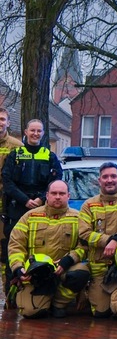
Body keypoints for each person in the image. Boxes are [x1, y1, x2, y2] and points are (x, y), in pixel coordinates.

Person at [7, 180, 90, 318]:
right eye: (54, 193)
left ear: (68, 196)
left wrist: (68, 260)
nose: (58, 196)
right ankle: (44, 300)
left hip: (62, 270)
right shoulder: (30, 217)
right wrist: (18, 268)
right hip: (36, 274)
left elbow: (84, 246)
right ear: (47, 195)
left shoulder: (78, 218)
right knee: (31, 312)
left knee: (81, 272)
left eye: (62, 193)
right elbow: (16, 245)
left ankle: (58, 303)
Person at [2, 118, 62, 296]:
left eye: (39, 131)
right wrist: (24, 200)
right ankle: (11, 296)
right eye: (32, 130)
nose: (36, 134)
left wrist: (42, 199)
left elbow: (56, 180)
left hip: (42, 207)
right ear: (26, 132)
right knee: (11, 251)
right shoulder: (16, 154)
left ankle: (39, 291)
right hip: (18, 207)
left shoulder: (49, 156)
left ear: (43, 134)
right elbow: (7, 181)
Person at [78, 162, 117, 319]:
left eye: (113, 176)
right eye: (105, 177)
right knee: (101, 312)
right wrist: (108, 241)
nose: (109, 180)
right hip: (100, 264)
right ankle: (98, 293)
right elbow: (84, 232)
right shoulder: (89, 205)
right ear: (99, 180)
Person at [0, 107, 22, 298]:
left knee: (4, 250)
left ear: (8, 122)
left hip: (6, 206)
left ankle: (8, 294)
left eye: (2, 119)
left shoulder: (16, 147)